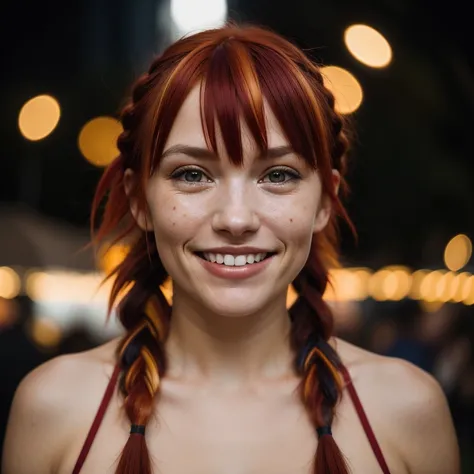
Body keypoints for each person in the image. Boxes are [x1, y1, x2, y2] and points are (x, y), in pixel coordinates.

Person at [2, 24, 460, 474]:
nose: (236, 219)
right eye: (192, 175)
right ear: (140, 201)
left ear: (325, 201)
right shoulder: (54, 410)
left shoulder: (406, 412)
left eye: (278, 175)